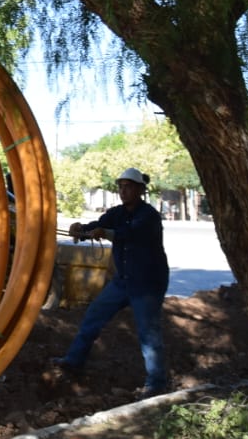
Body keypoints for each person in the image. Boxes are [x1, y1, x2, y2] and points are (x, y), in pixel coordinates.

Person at [51, 166, 170, 398]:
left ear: (140, 190)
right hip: (123, 281)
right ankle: (73, 361)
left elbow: (129, 234)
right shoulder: (117, 213)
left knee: (148, 334)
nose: (123, 191)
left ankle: (156, 383)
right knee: (93, 317)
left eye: (128, 187)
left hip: (147, 284)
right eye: (121, 187)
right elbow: (100, 224)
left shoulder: (149, 216)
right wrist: (80, 229)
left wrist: (104, 233)